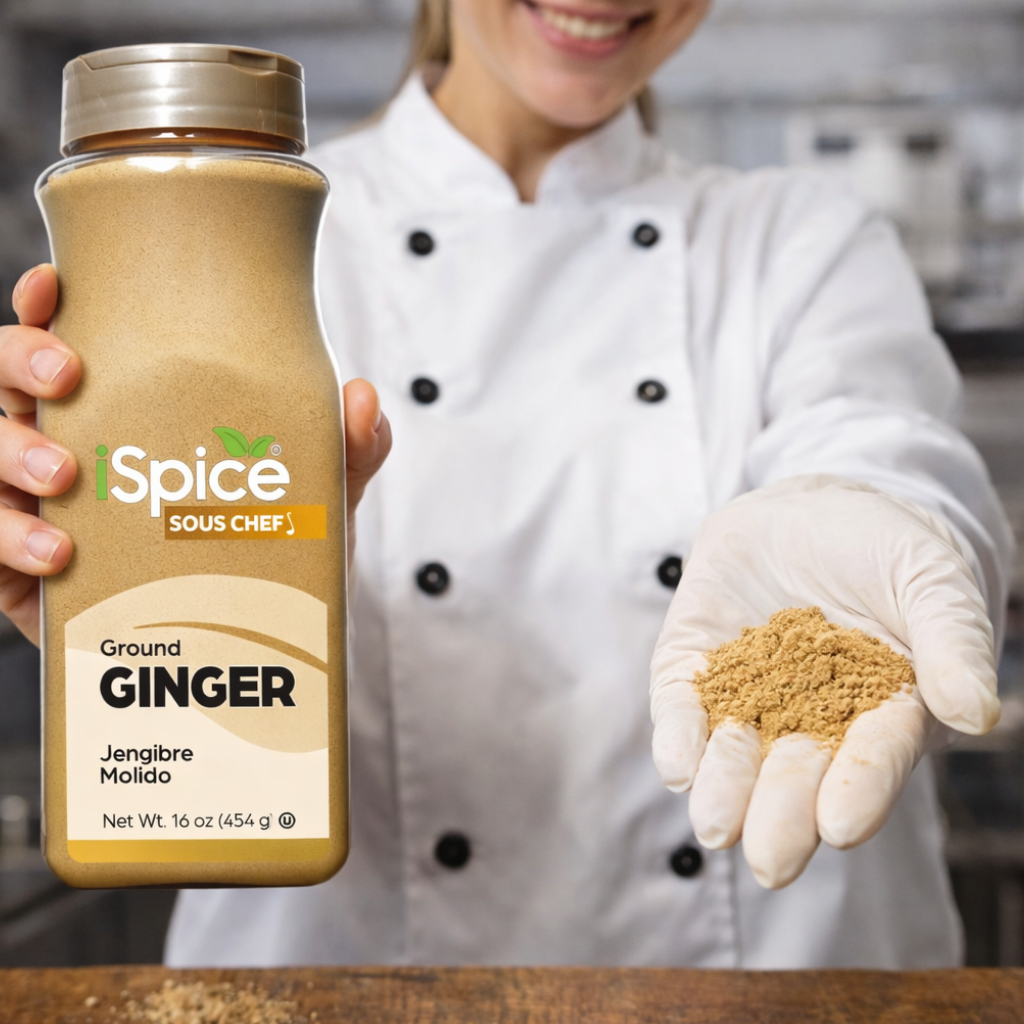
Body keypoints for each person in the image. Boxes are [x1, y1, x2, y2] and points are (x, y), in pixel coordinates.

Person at [0, 0, 1013, 968]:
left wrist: (877, 511)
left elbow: (879, 432)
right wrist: (124, 584)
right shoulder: (254, 245)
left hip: (778, 983)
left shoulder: (798, 240)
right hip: (345, 990)